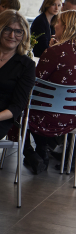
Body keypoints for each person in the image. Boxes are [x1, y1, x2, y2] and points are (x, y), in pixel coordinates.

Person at [23, 11, 76, 173]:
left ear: (66, 27)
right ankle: (41, 151)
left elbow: (34, 82)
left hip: (44, 115)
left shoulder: (54, 52)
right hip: (74, 116)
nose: (55, 25)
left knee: (17, 105)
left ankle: (31, 152)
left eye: (59, 23)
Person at [0, 10, 35, 140]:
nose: (12, 35)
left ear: (24, 35)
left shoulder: (26, 66)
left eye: (18, 31)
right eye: (7, 29)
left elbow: (16, 107)